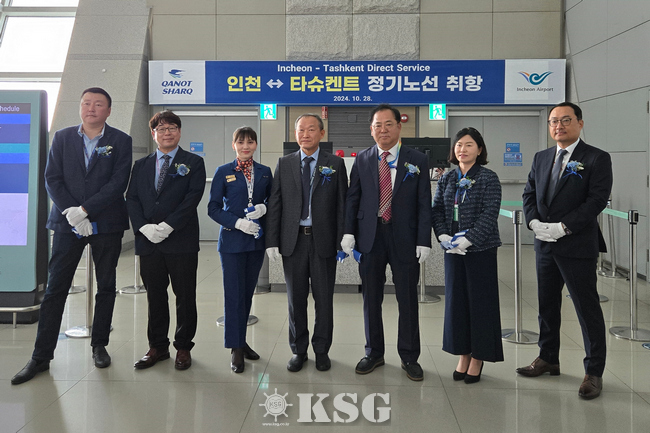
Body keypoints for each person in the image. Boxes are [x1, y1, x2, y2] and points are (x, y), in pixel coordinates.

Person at [11, 87, 132, 385]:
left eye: (98, 104)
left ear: (108, 110)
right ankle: (41, 356)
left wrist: (86, 210)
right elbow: (52, 178)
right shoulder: (62, 137)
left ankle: (99, 345)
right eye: (86, 103)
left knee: (106, 285)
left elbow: (118, 182)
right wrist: (72, 213)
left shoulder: (120, 140)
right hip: (67, 224)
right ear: (80, 107)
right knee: (55, 289)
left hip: (107, 222)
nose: (91, 108)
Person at [518, 102, 612, 400]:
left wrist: (564, 227)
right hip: (544, 244)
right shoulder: (542, 157)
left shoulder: (596, 157)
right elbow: (529, 192)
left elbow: (596, 200)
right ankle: (548, 357)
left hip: (577, 244)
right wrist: (533, 222)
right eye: (553, 121)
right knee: (546, 304)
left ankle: (594, 371)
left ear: (580, 123)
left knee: (586, 308)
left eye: (565, 120)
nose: (558, 126)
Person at [342, 104, 431, 381]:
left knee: (407, 299)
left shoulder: (417, 159)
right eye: (377, 125)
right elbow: (353, 198)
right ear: (371, 130)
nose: (383, 130)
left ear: (399, 126)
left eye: (388, 124)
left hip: (405, 237)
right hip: (370, 237)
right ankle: (374, 353)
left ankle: (409, 356)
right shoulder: (363, 158)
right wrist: (349, 232)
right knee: (371, 298)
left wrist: (424, 240)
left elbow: (424, 202)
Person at [266, 114, 347, 372]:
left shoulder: (335, 164)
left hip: (323, 241)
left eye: (311, 129)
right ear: (295, 133)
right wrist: (272, 240)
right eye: (301, 130)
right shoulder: (285, 163)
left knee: (324, 300)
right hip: (294, 242)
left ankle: (321, 350)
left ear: (321, 133)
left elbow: (342, 205)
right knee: (295, 300)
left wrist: (342, 240)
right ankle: (298, 350)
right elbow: (276, 203)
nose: (305, 134)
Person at [126, 110, 206, 371]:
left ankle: (183, 346)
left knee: (185, 295)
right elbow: (132, 198)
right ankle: (157, 346)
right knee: (155, 296)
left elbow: (192, 198)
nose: (167, 132)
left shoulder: (193, 162)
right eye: (161, 129)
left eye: (172, 127)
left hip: (181, 240)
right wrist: (143, 227)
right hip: (149, 242)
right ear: (153, 134)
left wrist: (169, 225)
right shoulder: (141, 165)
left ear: (179, 132)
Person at [431, 127, 504, 384]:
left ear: (480, 149)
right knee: (457, 303)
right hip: (452, 250)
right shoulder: (447, 178)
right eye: (459, 145)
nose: (463, 149)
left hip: (480, 249)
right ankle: (463, 353)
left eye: (469, 144)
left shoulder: (488, 178)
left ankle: (478, 357)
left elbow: (490, 212)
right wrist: (443, 235)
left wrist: (470, 239)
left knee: (480, 304)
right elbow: (437, 210)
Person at [208, 127, 272, 373]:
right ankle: (235, 347)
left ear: (256, 144)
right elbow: (213, 208)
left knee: (246, 293)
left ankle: (241, 341)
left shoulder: (264, 172)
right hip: (232, 241)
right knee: (234, 294)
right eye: (241, 142)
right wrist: (236, 223)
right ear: (233, 144)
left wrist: (264, 208)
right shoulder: (223, 172)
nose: (246, 146)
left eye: (250, 142)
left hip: (255, 241)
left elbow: (273, 200)